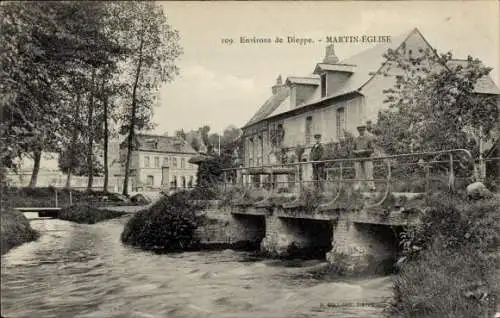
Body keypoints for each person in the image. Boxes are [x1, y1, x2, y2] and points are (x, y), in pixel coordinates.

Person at [353, 125, 376, 191]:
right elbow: (352, 150)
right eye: (360, 131)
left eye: (362, 130)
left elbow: (372, 150)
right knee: (358, 175)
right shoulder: (356, 139)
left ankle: (372, 188)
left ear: (364, 130)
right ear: (358, 131)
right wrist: (356, 152)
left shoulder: (368, 139)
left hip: (367, 158)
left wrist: (364, 151)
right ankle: (358, 189)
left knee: (369, 174)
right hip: (358, 159)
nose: (361, 132)